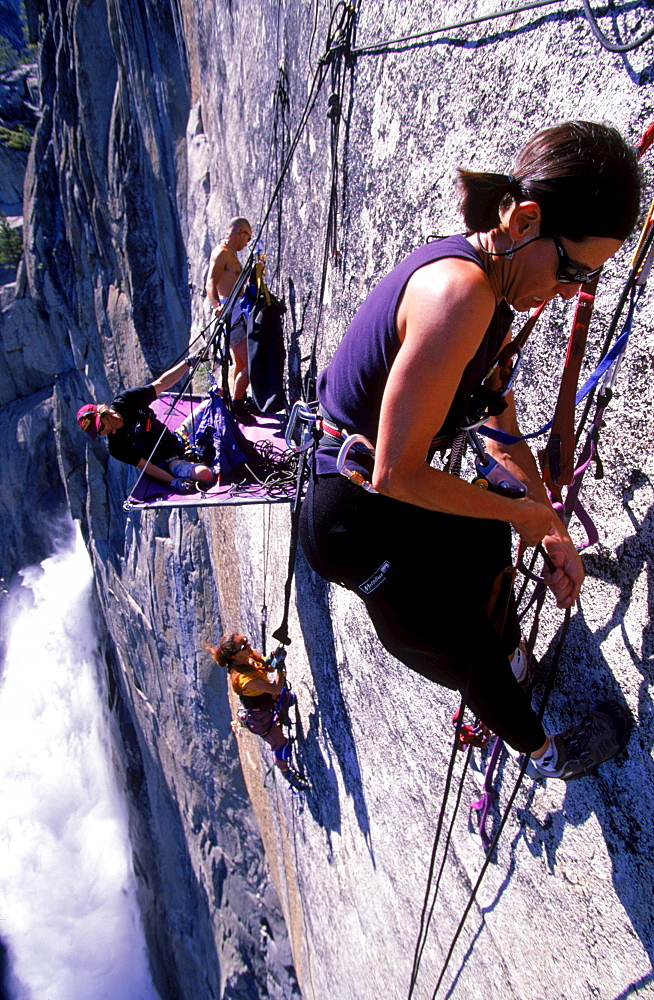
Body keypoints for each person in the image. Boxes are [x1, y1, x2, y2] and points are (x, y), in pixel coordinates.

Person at [299, 121, 641, 781]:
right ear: (528, 219)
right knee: (463, 644)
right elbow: (395, 472)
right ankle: (546, 755)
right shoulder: (461, 294)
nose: (571, 292)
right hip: (350, 517)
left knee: (490, 531)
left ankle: (511, 661)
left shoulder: (487, 282)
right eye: (573, 269)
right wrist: (529, 518)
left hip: (380, 492)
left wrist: (544, 520)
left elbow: (497, 416)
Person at [77, 356, 216, 494]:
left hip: (178, 438)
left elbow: (161, 384)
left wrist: (187, 363)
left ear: (103, 414)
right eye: (98, 432)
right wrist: (173, 481)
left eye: (100, 427)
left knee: (208, 405)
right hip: (170, 461)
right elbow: (147, 467)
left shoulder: (125, 401)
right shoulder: (116, 448)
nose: (102, 432)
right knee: (205, 474)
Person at [206, 633, 309, 791]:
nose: (248, 644)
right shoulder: (244, 679)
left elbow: (267, 667)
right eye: (244, 645)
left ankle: (282, 712)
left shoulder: (246, 654)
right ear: (235, 656)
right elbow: (275, 687)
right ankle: (286, 773)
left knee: (290, 698)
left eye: (245, 640)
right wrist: (280, 668)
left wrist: (274, 659)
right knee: (281, 745)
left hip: (269, 700)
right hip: (260, 718)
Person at [206, 216, 256, 421]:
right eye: (248, 237)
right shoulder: (222, 254)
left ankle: (238, 399)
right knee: (251, 364)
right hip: (230, 314)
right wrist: (217, 306)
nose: (247, 243)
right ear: (241, 233)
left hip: (237, 311)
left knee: (240, 364)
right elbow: (210, 283)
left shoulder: (232, 254)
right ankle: (237, 405)